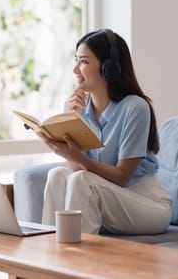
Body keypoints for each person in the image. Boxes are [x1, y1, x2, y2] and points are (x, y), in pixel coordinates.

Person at [38, 28, 172, 235]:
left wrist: (80, 158)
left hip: (146, 203)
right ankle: (49, 252)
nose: (75, 69)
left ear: (109, 68)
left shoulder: (135, 107)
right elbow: (75, 168)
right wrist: (74, 120)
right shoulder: (75, 107)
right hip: (105, 199)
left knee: (83, 179)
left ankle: (78, 261)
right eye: (76, 60)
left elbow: (121, 177)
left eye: (83, 61)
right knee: (57, 174)